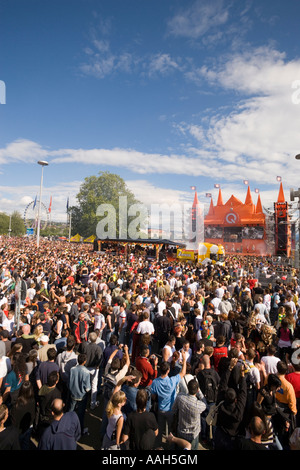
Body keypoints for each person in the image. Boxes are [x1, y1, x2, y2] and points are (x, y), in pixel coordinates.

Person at [150, 350, 187, 447]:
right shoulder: (172, 381)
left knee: (159, 428)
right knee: (170, 431)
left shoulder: (155, 382)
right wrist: (184, 359)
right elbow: (183, 373)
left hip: (161, 409)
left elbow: (153, 396)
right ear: (168, 371)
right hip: (171, 410)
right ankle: (170, 447)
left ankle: (158, 446)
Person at [214, 358, 247, 450]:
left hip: (221, 435)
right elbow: (243, 393)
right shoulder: (238, 412)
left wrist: (230, 368)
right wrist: (243, 376)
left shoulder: (221, 404)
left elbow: (223, 385)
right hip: (233, 438)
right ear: (236, 399)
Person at [172, 378, 206, 450]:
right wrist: (199, 392)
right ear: (197, 390)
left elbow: (173, 409)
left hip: (181, 431)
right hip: (193, 434)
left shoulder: (180, 397)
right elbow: (205, 404)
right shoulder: (199, 405)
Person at [68, 353, 91, 436]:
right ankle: (80, 431)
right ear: (84, 361)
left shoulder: (72, 369)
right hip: (82, 396)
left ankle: (68, 428)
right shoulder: (86, 372)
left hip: (73, 394)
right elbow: (88, 388)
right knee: (81, 415)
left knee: (70, 412)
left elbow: (69, 382)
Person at [10, 380, 36, 450]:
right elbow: (33, 415)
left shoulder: (16, 404)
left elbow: (13, 420)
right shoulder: (33, 401)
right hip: (28, 427)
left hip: (18, 430)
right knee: (26, 444)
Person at [80, 331, 103, 410]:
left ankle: (83, 401)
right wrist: (98, 365)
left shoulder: (86, 347)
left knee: (84, 385)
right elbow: (100, 358)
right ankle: (92, 403)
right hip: (93, 368)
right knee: (94, 386)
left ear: (89, 338)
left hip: (86, 368)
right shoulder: (98, 348)